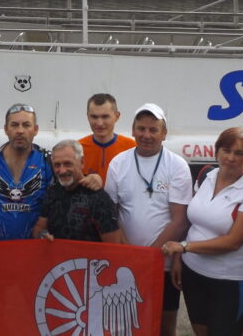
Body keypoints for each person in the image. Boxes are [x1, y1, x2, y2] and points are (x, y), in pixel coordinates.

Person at [162, 128, 243, 336]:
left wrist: (184, 247)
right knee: (201, 331)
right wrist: (180, 257)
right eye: (226, 150)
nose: (231, 158)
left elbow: (233, 242)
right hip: (193, 274)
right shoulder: (206, 175)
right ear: (217, 152)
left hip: (230, 280)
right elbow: (191, 222)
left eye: (239, 153)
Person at [104, 103, 192, 336]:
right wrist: (131, 254)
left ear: (164, 134)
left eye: (153, 130)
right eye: (141, 129)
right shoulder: (118, 163)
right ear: (132, 130)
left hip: (162, 263)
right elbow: (112, 214)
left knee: (165, 325)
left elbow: (180, 220)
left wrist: (149, 257)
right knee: (126, 324)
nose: (146, 135)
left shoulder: (177, 165)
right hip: (127, 262)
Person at [0, 103, 53, 240]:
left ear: (35, 129)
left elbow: (58, 203)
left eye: (26, 125)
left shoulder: (47, 160)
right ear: (6, 129)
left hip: (34, 247)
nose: (20, 131)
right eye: (14, 125)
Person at [31, 139, 120, 243]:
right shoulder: (52, 192)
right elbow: (39, 227)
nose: (62, 171)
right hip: (58, 254)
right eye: (57, 165)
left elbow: (113, 246)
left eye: (68, 164)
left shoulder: (98, 198)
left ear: (82, 162)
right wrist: (42, 235)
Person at [78, 93, 135, 183]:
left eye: (105, 117)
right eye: (94, 117)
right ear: (88, 117)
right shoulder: (77, 149)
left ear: (117, 116)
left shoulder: (132, 148)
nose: (99, 123)